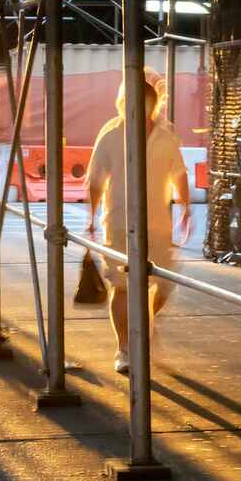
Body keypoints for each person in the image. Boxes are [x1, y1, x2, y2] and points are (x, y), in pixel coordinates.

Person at [84, 79, 192, 375]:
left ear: (152, 104)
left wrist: (185, 207)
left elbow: (179, 172)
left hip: (158, 225)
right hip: (119, 222)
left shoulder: (165, 137)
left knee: (164, 285)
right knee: (122, 287)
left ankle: (144, 323)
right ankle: (125, 348)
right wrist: (92, 218)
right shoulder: (110, 135)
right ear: (121, 103)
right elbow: (95, 180)